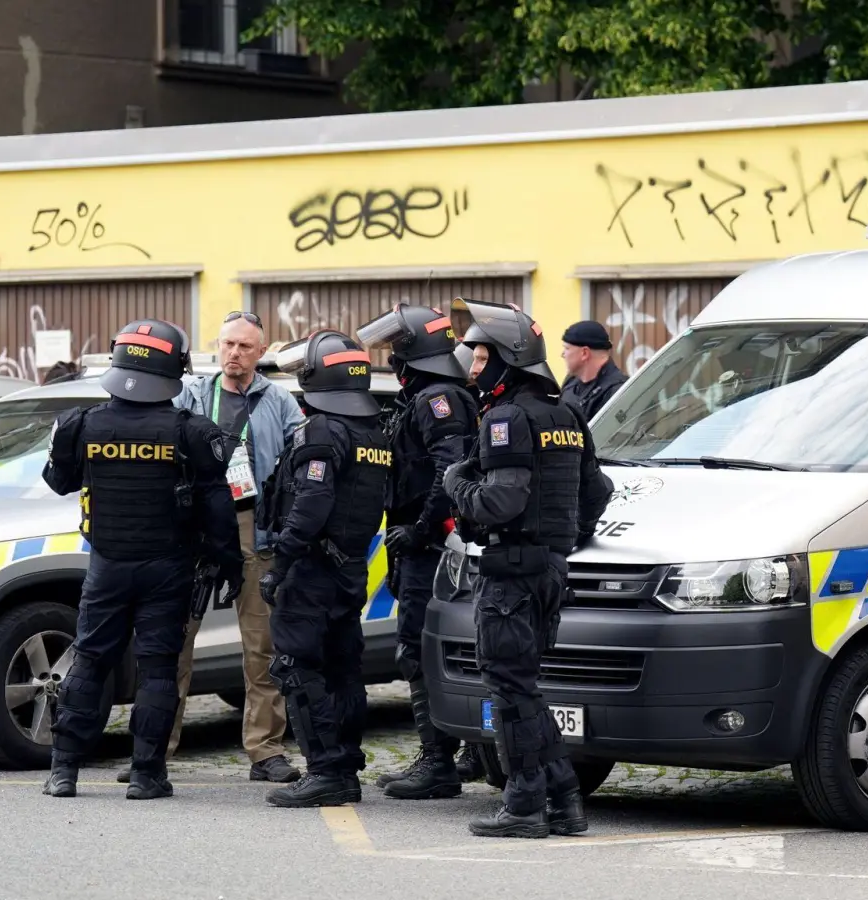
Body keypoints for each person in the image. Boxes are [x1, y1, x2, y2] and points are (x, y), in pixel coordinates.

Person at [39, 320, 243, 799]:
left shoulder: (81, 423)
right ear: (176, 367)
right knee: (157, 668)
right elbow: (218, 508)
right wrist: (229, 564)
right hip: (168, 567)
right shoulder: (192, 431)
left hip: (107, 564)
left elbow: (59, 482)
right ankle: (147, 774)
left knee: (89, 661)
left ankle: (63, 771)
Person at [113, 311, 306, 785]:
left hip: (254, 525)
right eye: (227, 345)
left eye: (244, 346)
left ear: (261, 353)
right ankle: (154, 749)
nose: (234, 354)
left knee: (262, 644)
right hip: (194, 525)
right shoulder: (192, 394)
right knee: (171, 641)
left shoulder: (280, 401)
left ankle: (266, 750)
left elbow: (302, 459)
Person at [443, 300, 612, 839]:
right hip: (546, 572)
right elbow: (598, 492)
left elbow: (501, 503)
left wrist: (456, 485)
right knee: (524, 686)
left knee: (509, 690)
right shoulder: (566, 414)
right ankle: (563, 798)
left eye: (480, 357)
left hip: (511, 574)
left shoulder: (506, 418)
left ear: (508, 358)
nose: (472, 368)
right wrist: (564, 543)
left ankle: (522, 805)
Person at [255, 331, 392, 807]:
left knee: (296, 667)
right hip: (350, 568)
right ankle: (346, 766)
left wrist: (281, 562)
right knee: (343, 669)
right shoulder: (373, 432)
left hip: (312, 569)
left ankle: (325, 771)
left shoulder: (321, 430)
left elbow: (312, 504)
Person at [359, 303, 479, 799]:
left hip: (431, 544)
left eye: (395, 351)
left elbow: (446, 473)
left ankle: (438, 762)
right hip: (425, 543)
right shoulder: (432, 395)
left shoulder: (437, 399)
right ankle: (468, 753)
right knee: (447, 649)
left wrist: (421, 530)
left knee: (418, 649)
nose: (391, 361)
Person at [558, 320, 627, 421]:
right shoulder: (571, 381)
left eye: (567, 349)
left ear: (584, 353)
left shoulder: (618, 392)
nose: (563, 355)